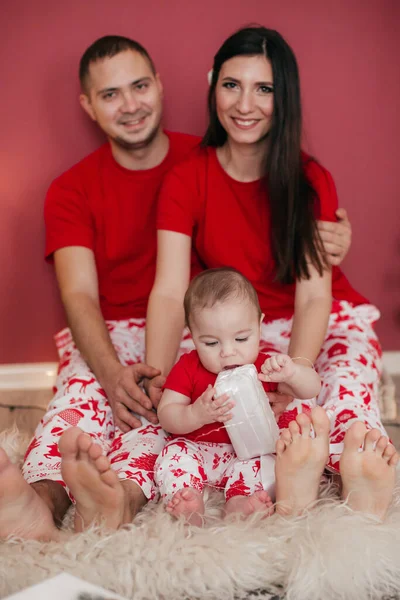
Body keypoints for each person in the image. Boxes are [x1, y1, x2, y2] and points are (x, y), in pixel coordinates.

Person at [0, 33, 351, 542]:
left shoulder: (213, 156)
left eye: (139, 86)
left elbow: (261, 225)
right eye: (111, 94)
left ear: (160, 86)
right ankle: (41, 502)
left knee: (173, 412)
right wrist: (113, 371)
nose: (131, 105)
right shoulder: (70, 189)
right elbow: (78, 295)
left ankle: (121, 496)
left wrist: (334, 230)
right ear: (88, 106)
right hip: (123, 331)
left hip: (199, 327)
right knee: (82, 410)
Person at [146, 26, 398, 520]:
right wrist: (158, 378)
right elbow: (170, 289)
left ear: (285, 99)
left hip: (313, 319)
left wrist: (296, 369)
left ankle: (348, 467)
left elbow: (313, 299)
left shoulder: (309, 180)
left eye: (265, 89)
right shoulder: (185, 178)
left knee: (333, 388)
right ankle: (287, 475)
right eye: (232, 84)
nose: (245, 103)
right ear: (213, 86)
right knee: (190, 397)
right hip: (238, 327)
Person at [155, 267, 323, 525]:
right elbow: (166, 414)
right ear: (192, 336)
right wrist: (194, 414)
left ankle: (239, 503)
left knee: (268, 463)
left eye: (242, 338)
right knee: (173, 455)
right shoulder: (188, 367)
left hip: (247, 453)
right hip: (199, 449)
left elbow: (311, 388)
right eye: (211, 343)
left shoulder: (265, 365)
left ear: (259, 325)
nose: (228, 352)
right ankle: (188, 499)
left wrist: (292, 373)